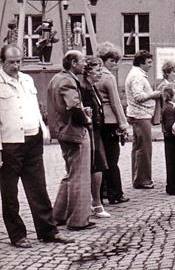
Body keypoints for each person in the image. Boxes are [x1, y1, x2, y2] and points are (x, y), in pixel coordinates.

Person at [0, 45, 74, 247]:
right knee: (10, 193)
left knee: (38, 188)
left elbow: (34, 106)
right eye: (11, 62)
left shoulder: (27, 80)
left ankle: (48, 231)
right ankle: (17, 235)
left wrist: (44, 129)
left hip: (33, 139)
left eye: (18, 61)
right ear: (2, 62)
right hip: (9, 143)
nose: (16, 66)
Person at [48, 50, 95, 231]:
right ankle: (78, 220)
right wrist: (86, 119)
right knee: (80, 176)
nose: (85, 65)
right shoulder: (68, 81)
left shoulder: (56, 79)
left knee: (70, 174)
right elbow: (73, 106)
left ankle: (58, 215)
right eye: (82, 61)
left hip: (62, 131)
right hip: (74, 132)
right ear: (74, 62)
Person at [96, 42, 129, 205]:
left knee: (102, 159)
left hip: (99, 121)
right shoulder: (108, 77)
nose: (115, 64)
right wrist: (123, 123)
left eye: (116, 61)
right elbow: (116, 103)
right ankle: (116, 193)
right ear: (103, 60)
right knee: (112, 160)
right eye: (112, 60)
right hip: (111, 121)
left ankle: (103, 191)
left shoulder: (93, 75)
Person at [125, 50, 162, 189]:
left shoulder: (136, 74)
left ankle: (138, 177)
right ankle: (143, 179)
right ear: (141, 63)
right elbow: (138, 96)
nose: (151, 65)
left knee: (138, 147)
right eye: (149, 62)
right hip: (141, 115)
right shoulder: (137, 77)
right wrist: (154, 94)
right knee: (144, 148)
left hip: (139, 115)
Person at [80, 56, 110, 219]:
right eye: (97, 70)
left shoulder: (92, 87)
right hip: (90, 132)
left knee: (99, 166)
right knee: (96, 166)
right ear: (88, 72)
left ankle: (96, 202)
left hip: (97, 131)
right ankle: (96, 204)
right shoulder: (84, 89)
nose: (100, 73)